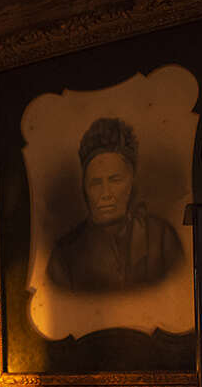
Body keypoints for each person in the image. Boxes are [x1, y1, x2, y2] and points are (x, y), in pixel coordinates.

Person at [46, 117, 184, 292]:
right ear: (84, 187)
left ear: (131, 182)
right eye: (96, 183)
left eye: (115, 180)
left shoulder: (162, 239)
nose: (106, 194)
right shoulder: (64, 257)